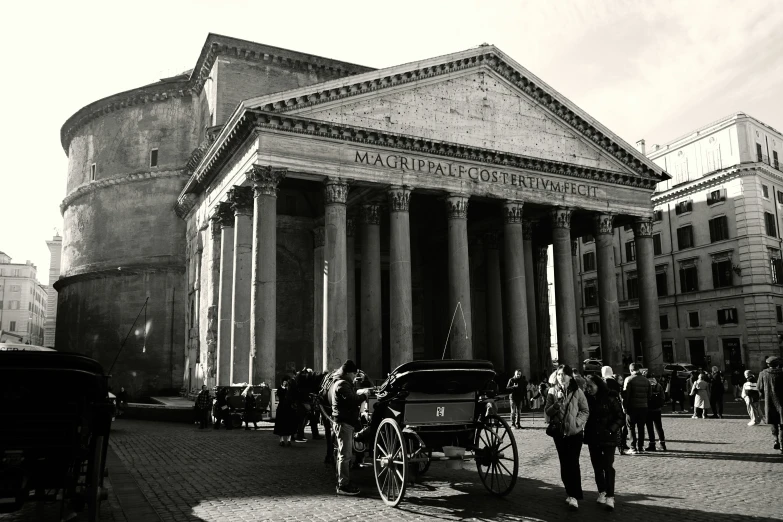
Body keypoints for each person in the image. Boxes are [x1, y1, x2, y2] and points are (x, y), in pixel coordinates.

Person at [544, 365, 590, 511]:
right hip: (559, 433)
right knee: (564, 463)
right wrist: (556, 406)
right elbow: (547, 412)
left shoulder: (578, 391)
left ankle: (574, 496)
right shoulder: (552, 391)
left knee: (573, 463)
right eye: (558, 375)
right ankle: (569, 492)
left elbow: (585, 410)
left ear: (570, 376)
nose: (561, 377)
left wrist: (577, 423)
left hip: (575, 433)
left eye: (563, 374)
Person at [329, 360, 371, 496]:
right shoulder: (342, 385)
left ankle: (342, 481)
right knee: (345, 455)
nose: (355, 377)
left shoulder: (344, 383)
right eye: (354, 374)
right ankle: (343, 485)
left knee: (344, 454)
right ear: (348, 373)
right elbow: (352, 400)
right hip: (344, 423)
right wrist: (365, 395)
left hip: (345, 422)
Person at [583, 374, 624, 512]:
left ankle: (610, 496)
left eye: (591, 386)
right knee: (596, 466)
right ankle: (602, 491)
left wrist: (611, 430)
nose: (588, 389)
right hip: (593, 437)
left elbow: (620, 417)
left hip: (608, 437)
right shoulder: (586, 398)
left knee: (608, 466)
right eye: (587, 386)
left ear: (598, 385)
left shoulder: (610, 396)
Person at [622, 363, 650, 455]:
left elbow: (625, 395)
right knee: (641, 427)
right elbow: (649, 394)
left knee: (631, 427)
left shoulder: (628, 379)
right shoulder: (646, 380)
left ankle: (633, 447)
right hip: (644, 406)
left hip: (632, 407)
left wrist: (624, 407)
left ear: (630, 370)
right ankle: (641, 447)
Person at [757, 356, 783, 453]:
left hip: (770, 402)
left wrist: (764, 395)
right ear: (778, 364)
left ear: (768, 364)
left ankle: (776, 439)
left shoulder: (763, 374)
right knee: (782, 424)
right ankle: (782, 444)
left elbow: (759, 387)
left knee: (773, 422)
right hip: (781, 402)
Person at [644, 372, 667, 451]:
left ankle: (652, 444)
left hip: (648, 409)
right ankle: (662, 444)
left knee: (650, 427)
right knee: (659, 427)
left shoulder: (645, 385)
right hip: (657, 409)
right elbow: (663, 397)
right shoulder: (658, 385)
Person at [274, 376, 299, 446]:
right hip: (282, 408)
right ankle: (281, 440)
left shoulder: (290, 389)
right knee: (281, 425)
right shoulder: (280, 389)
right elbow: (280, 395)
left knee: (289, 425)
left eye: (286, 382)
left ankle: (288, 440)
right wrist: (284, 389)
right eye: (284, 381)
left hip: (289, 409)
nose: (285, 383)